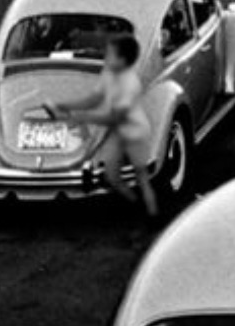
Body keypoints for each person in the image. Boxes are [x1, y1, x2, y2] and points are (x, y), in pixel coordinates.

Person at [40, 33, 157, 219]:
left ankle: (152, 217)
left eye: (110, 55)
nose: (105, 57)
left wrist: (81, 117)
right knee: (111, 176)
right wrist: (64, 105)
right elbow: (92, 100)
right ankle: (136, 207)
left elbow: (114, 117)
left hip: (135, 133)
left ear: (123, 60)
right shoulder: (108, 75)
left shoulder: (130, 83)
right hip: (118, 133)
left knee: (142, 178)